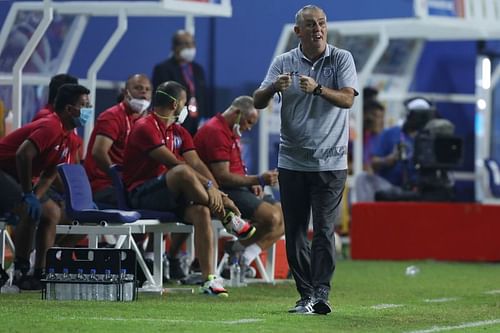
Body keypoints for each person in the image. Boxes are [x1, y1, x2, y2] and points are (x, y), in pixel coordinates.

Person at [253, 5, 358, 314]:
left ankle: (322, 293)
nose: (318, 29)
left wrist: (319, 90)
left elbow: (349, 98)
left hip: (330, 162)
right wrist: (274, 87)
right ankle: (306, 294)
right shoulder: (283, 63)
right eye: (310, 25)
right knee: (296, 231)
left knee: (324, 230)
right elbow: (257, 101)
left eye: (322, 23)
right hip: (292, 162)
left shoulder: (341, 59)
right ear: (297, 31)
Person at [122, 81, 255, 297]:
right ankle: (226, 217)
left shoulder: (179, 131)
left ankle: (209, 280)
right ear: (175, 104)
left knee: (201, 211)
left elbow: (197, 164)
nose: (187, 108)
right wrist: (212, 189)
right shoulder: (145, 127)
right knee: (181, 173)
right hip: (142, 195)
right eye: (185, 103)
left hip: (171, 195)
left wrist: (218, 191)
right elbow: (177, 164)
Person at [0, 84, 91, 288]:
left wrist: (36, 195)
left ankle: (40, 271)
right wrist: (27, 194)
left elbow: (50, 173)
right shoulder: (50, 126)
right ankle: (20, 270)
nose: (89, 109)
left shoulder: (71, 139)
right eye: (84, 105)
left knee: (50, 212)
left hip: (15, 178)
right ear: (69, 109)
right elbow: (23, 154)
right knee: (27, 209)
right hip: (3, 172)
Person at [194, 95, 284, 279]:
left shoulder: (229, 131)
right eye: (248, 122)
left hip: (239, 189)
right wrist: (256, 180)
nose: (248, 128)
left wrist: (253, 183)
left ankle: (240, 254)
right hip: (223, 191)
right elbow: (222, 176)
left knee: (286, 216)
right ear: (237, 113)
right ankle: (238, 255)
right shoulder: (215, 131)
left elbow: (235, 169)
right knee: (272, 218)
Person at [152, 30, 208, 136]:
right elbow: (161, 99)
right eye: (186, 44)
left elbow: (203, 96)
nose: (191, 47)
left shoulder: (198, 69)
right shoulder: (163, 69)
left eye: (192, 43)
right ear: (175, 47)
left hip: (196, 123)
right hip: (174, 122)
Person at [371, 97, 436, 190]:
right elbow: (374, 163)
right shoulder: (391, 133)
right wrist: (388, 160)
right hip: (390, 190)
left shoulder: (430, 137)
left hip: (420, 191)